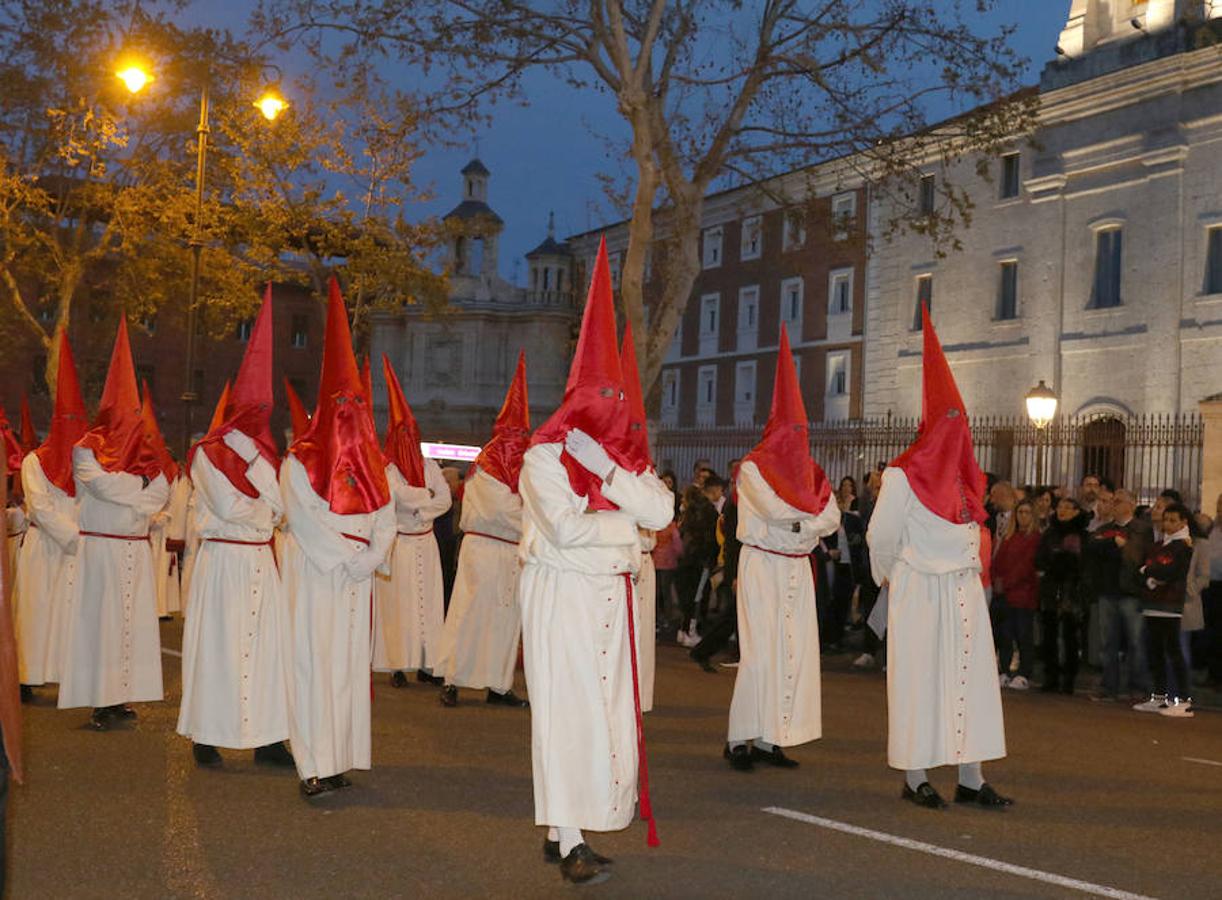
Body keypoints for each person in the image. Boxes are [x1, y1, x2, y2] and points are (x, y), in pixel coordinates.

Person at [518, 240, 672, 884]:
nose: (613, 405)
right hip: (563, 596)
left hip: (611, 599)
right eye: (602, 393)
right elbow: (565, 528)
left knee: (605, 711)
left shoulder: (619, 460)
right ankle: (571, 837)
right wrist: (626, 534)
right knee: (565, 711)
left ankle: (566, 829)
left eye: (619, 396)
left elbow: (661, 513)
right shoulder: (543, 460)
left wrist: (611, 468)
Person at [866, 306, 1010, 810]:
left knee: (970, 681)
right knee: (919, 681)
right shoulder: (901, 476)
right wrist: (893, 580)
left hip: (964, 591)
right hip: (920, 589)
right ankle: (915, 775)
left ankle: (972, 776)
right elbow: (880, 537)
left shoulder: (970, 481)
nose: (956, 432)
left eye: (961, 423)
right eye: (948, 422)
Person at [280, 278, 396, 799]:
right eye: (341, 399)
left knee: (348, 666)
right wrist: (347, 556)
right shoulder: (299, 461)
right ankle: (309, 762)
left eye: (356, 399)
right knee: (314, 663)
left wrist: (372, 555)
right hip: (321, 571)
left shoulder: (373, 461)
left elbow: (386, 513)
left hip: (356, 575)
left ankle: (337, 757)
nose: (349, 407)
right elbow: (304, 518)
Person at [176, 287, 294, 770]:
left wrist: (254, 460)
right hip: (224, 559)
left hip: (260, 561)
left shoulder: (262, 455)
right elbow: (229, 507)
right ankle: (207, 733)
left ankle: (268, 737)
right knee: (219, 647)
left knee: (266, 648)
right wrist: (262, 506)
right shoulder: (206, 452)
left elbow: (280, 506)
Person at [724, 324, 840, 772]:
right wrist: (806, 526)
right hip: (762, 566)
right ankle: (739, 738)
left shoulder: (812, 471)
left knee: (793, 652)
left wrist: (803, 527)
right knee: (759, 652)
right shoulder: (753, 467)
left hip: (795, 568)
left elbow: (830, 515)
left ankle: (774, 737)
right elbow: (771, 511)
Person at [59, 318, 169, 730]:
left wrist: (141, 491)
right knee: (102, 624)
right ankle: (100, 700)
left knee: (131, 625)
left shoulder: (148, 455)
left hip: (133, 548)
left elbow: (161, 493)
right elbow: (102, 487)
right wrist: (139, 489)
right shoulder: (85, 448)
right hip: (102, 549)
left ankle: (121, 696)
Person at [437, 351, 531, 708]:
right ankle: (452, 679)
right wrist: (530, 514)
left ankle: (498, 682)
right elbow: (503, 511)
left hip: (512, 552)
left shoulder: (523, 466)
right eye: (516, 432)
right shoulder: (487, 466)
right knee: (470, 613)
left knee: (507, 617)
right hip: (485, 548)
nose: (520, 439)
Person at [372, 357, 453, 688]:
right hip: (402, 543)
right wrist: (426, 497)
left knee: (429, 604)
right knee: (400, 605)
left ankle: (427, 663)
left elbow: (445, 498)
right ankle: (397, 665)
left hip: (426, 541)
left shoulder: (428, 463)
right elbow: (397, 497)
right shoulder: (388, 468)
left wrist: (421, 508)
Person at [14, 329, 86, 700]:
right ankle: (27, 676)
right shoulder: (33, 462)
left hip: (75, 550)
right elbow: (39, 507)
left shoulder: (86, 466)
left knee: (68, 615)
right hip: (46, 548)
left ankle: (65, 676)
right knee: (38, 611)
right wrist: (75, 537)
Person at [1085, 489, 1151, 701]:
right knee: (1108, 643)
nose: (1113, 504)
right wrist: (1112, 544)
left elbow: (1135, 556)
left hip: (1131, 591)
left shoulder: (1142, 529)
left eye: (1118, 501)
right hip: (1108, 590)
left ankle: (1137, 686)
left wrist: (1118, 547)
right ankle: (1109, 685)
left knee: (1136, 642)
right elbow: (1092, 548)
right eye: (1112, 501)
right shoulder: (1106, 529)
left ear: (1131, 505)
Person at [1133, 502, 1195, 717]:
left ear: (1183, 522)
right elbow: (1141, 569)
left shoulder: (1184, 546)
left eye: (1173, 520)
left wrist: (1150, 572)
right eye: (1166, 520)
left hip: (1171, 605)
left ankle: (1183, 699)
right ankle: (1159, 697)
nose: (1167, 524)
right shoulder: (1159, 545)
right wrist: (1150, 575)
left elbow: (1172, 571)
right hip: (1152, 604)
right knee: (1155, 652)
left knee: (1173, 652)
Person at [1035, 497, 1090, 694]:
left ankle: (1069, 678)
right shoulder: (1050, 533)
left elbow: (1085, 563)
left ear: (1076, 511)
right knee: (1049, 634)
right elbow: (1040, 558)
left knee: (1070, 636)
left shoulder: (1083, 534)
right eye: (1060, 507)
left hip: (1072, 591)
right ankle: (1051, 677)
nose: (1063, 510)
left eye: (1068, 507)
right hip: (1051, 588)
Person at [991, 500, 1040, 690]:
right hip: (1005, 594)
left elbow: (1027, 565)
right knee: (1005, 634)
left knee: (1023, 635)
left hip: (1023, 594)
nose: (1023, 516)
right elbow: (998, 561)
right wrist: (997, 579)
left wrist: (1007, 582)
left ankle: (1023, 673)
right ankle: (1005, 670)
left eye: (1027, 512)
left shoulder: (1035, 538)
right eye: (1020, 512)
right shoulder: (1009, 537)